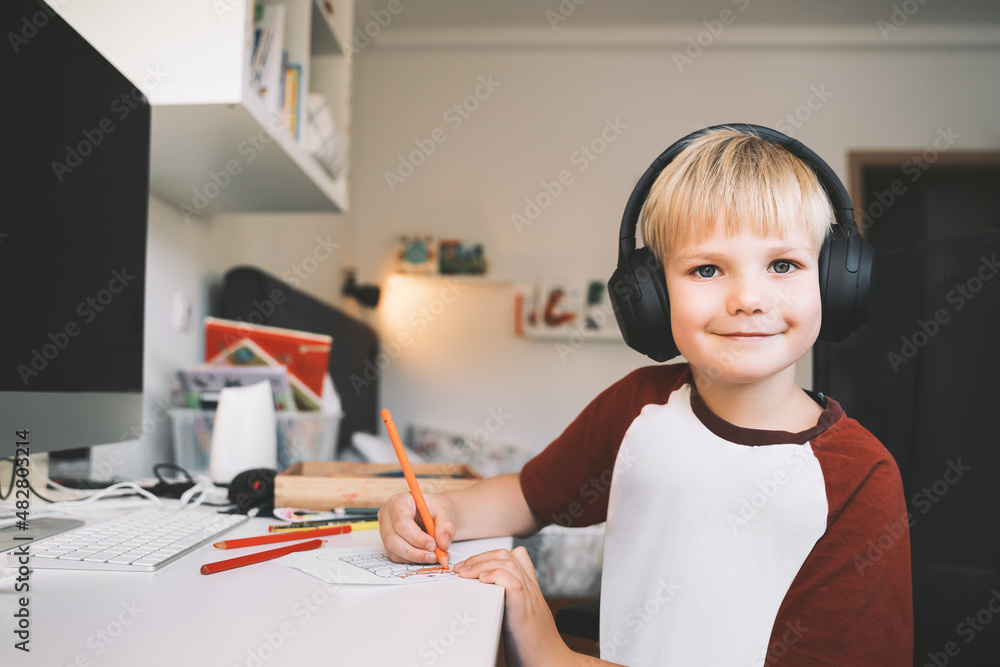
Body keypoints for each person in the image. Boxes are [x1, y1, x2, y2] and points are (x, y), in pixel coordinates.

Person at [379, 128, 913, 666]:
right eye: (706, 269)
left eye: (783, 265)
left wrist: (556, 658)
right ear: (652, 296)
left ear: (835, 281)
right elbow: (529, 495)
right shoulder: (639, 407)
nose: (748, 299)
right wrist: (436, 511)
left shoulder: (861, 479)